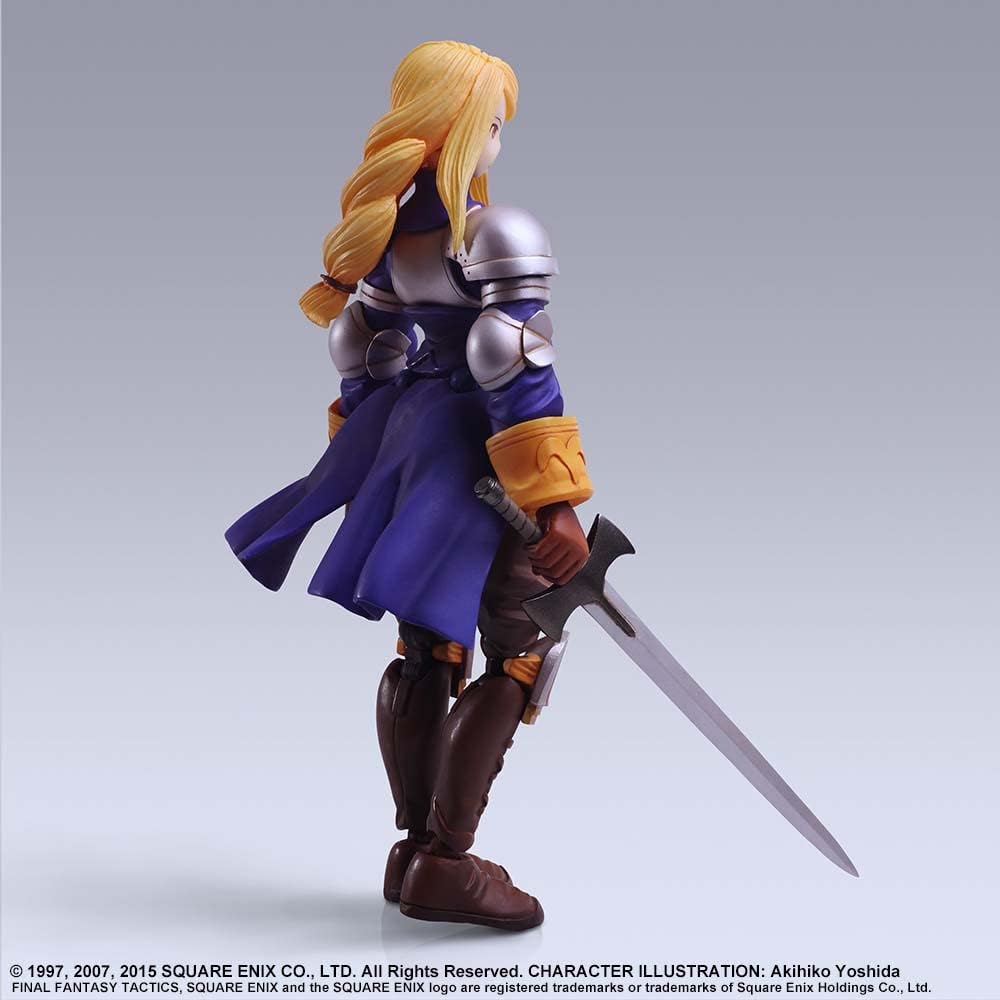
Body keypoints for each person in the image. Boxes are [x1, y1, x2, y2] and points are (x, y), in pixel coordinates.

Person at [225, 40, 594, 931]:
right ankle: (448, 862)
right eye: (494, 123)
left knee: (428, 647)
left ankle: (414, 851)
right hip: (481, 455)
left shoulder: (386, 236)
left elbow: (362, 349)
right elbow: (509, 359)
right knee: (522, 648)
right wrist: (554, 502)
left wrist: (373, 456)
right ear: (466, 127)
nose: (498, 140)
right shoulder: (491, 234)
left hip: (411, 448)